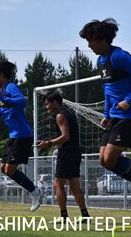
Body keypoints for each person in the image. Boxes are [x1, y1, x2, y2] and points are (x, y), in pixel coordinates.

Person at [79, 18, 131, 209]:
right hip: (114, 116)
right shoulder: (100, 60)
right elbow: (108, 88)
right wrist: (107, 114)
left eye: (90, 41)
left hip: (130, 116)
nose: (89, 45)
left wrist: (128, 100)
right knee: (104, 161)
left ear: (101, 39)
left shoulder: (119, 56)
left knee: (110, 158)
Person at [0, 61, 43, 211]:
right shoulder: (3, 90)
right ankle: (35, 191)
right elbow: (5, 110)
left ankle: (35, 192)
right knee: (4, 168)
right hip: (13, 135)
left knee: (9, 170)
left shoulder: (10, 87)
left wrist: (3, 97)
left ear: (1, 75)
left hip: (22, 135)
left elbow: (22, 101)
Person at [37, 91, 89, 221]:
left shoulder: (60, 115)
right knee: (74, 185)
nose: (46, 107)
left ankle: (64, 216)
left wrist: (48, 143)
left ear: (55, 102)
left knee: (58, 185)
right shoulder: (69, 113)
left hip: (67, 153)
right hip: (75, 151)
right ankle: (85, 215)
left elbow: (65, 137)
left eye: (47, 104)